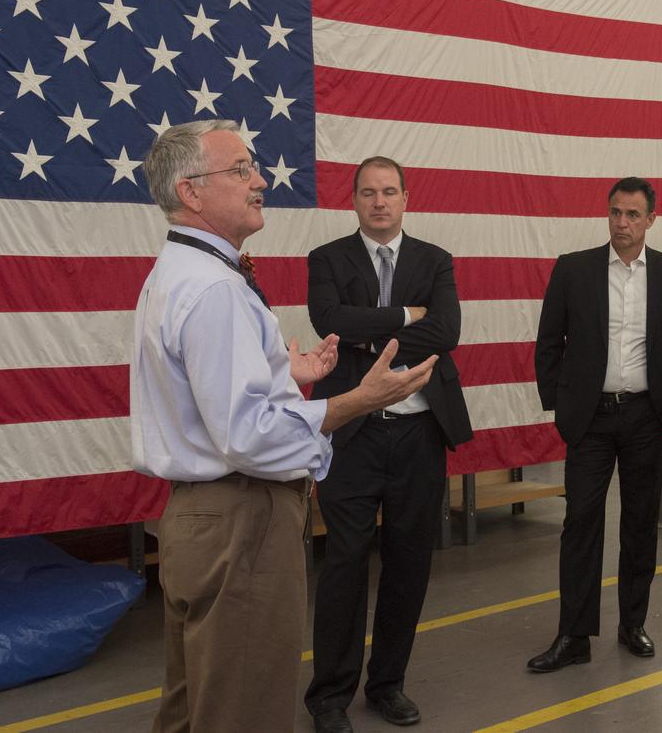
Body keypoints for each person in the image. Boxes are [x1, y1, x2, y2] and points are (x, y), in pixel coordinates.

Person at [132, 121, 437, 733]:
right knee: (244, 710)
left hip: (202, 519)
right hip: (240, 523)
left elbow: (211, 391)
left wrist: (281, 369)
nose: (261, 181)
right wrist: (354, 399)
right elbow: (247, 436)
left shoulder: (182, 271)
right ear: (192, 192)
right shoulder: (214, 287)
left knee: (195, 709)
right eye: (241, 170)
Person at [305, 156, 473, 733]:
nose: (379, 202)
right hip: (351, 433)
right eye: (368, 193)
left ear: (406, 198)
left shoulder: (436, 260)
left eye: (389, 192)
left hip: (420, 433)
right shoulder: (326, 260)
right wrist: (405, 316)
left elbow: (445, 331)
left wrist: (365, 327)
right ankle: (328, 697)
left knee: (408, 564)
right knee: (344, 565)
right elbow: (328, 319)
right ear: (353, 200)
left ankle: (387, 685)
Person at [527, 177, 662, 672]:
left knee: (639, 525)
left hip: (645, 416)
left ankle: (632, 624)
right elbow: (548, 343)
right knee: (580, 523)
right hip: (589, 419)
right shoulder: (574, 270)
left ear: (651, 220)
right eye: (615, 213)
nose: (622, 223)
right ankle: (573, 636)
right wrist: (561, 402)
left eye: (633, 215)